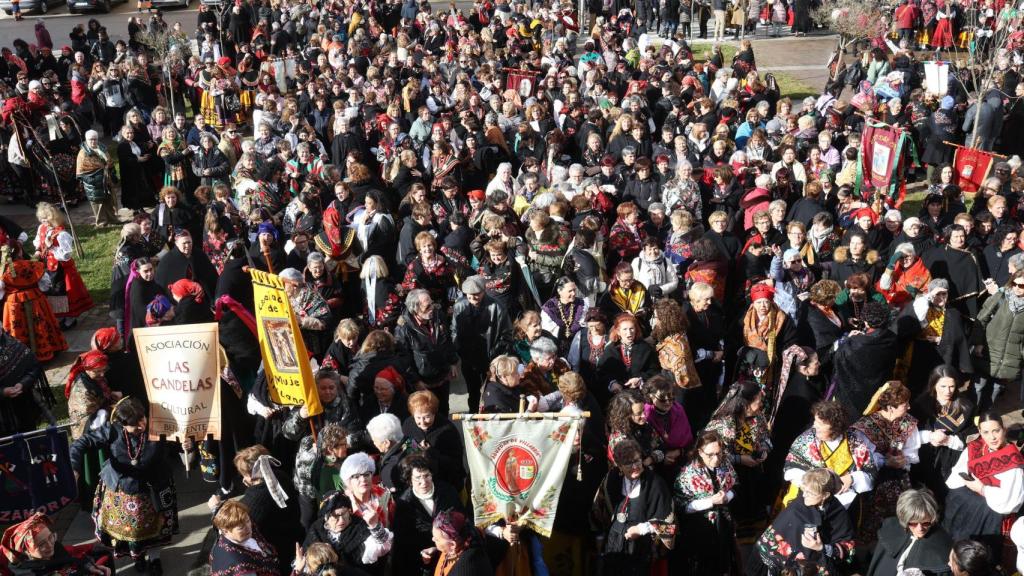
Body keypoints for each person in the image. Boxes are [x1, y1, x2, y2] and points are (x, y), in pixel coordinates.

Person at [70, 398, 181, 573]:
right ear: (122, 424)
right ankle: (138, 557)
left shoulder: (159, 426)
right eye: (134, 424)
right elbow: (80, 443)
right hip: (124, 490)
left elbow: (179, 442)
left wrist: (187, 446)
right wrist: (74, 468)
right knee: (131, 530)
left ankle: (154, 559)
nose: (141, 426)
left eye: (142, 419)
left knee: (158, 528)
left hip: (155, 486)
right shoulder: (112, 431)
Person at [942, 412, 1024, 565]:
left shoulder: (1013, 463)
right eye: (986, 432)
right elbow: (957, 475)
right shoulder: (976, 447)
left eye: (996, 431)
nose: (992, 437)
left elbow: (1010, 501)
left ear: (1004, 430)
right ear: (979, 432)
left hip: (991, 512)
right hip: (968, 503)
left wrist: (981, 488)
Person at [748, 468, 856, 576]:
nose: (804, 495)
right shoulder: (798, 504)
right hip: (778, 566)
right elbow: (771, 538)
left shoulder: (838, 514)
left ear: (825, 495)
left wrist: (821, 548)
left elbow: (847, 548)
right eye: (804, 490)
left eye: (810, 493)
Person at [851, 381, 921, 544]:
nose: (909, 407)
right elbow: (861, 458)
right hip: (873, 480)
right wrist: (885, 462)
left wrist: (904, 460)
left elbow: (912, 453)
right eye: (905, 404)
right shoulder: (864, 427)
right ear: (890, 408)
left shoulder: (907, 422)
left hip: (899, 478)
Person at [592, 439, 675, 576]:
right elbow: (599, 510)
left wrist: (642, 529)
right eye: (628, 463)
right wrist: (600, 537)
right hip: (614, 545)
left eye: (637, 460)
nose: (635, 466)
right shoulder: (611, 479)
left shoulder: (655, 483)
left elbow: (669, 524)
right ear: (619, 466)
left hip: (642, 548)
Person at [782, 400, 878, 509]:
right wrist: (813, 484)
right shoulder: (806, 440)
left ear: (835, 427)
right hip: (808, 497)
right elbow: (790, 468)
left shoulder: (855, 442)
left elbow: (870, 473)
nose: (815, 426)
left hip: (841, 502)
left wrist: (853, 478)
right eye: (815, 421)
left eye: (821, 424)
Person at [672, 430, 738, 575]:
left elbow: (735, 486)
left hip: (724, 526)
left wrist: (727, 497)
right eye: (710, 455)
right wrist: (711, 501)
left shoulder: (725, 464)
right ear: (700, 452)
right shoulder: (687, 474)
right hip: (701, 530)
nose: (716, 459)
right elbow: (682, 507)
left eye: (719, 453)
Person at [392, 454, 465, 576]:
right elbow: (404, 541)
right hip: (425, 565)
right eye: (418, 478)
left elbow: (463, 519)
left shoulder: (447, 491)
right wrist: (422, 553)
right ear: (410, 480)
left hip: (455, 555)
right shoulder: (404, 504)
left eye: (426, 476)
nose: (423, 482)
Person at [912, 365, 976, 500]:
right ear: (934, 384)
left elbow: (970, 434)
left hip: (949, 458)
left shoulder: (966, 406)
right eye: (943, 386)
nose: (948, 391)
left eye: (952, 386)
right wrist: (929, 436)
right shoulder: (920, 404)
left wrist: (948, 441)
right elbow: (909, 430)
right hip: (923, 454)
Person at [866, 489, 954, 576]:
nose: (920, 528)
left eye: (926, 523)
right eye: (913, 523)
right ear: (905, 520)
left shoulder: (943, 546)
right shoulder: (891, 530)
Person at [33, 202, 93, 329]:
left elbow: (66, 255)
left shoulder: (62, 234)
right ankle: (59, 317)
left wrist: (52, 248)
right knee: (53, 292)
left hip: (62, 269)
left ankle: (70, 319)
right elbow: (39, 242)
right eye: (42, 220)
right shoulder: (42, 228)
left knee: (65, 293)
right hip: (48, 267)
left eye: (47, 220)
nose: (45, 223)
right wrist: (38, 250)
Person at [0, 512, 114, 576]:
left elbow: (69, 560)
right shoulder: (30, 572)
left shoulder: (54, 546)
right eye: (41, 545)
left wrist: (89, 566)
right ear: (25, 551)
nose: (50, 545)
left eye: (51, 537)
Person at [209, 501, 279, 576]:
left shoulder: (243, 533)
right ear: (225, 530)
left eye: (248, 521)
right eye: (241, 528)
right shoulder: (241, 568)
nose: (248, 527)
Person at [427, 509, 494, 576]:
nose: (433, 539)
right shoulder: (465, 541)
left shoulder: (466, 570)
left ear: (453, 545)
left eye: (437, 539)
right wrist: (436, 550)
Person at [76, 130, 118, 227]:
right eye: (91, 140)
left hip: (106, 180)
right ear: (86, 140)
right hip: (93, 183)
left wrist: (112, 172)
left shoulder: (102, 148)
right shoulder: (83, 153)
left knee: (109, 201)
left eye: (95, 139)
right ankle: (101, 223)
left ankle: (112, 219)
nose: (93, 142)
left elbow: (110, 162)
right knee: (98, 204)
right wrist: (93, 181)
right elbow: (80, 173)